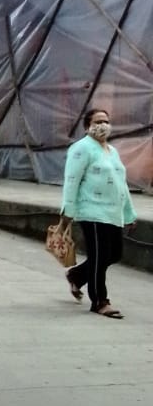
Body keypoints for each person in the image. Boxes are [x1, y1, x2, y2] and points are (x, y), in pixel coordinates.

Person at [61, 108, 136, 318]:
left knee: (114, 254)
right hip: (92, 211)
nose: (103, 125)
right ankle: (100, 301)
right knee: (99, 256)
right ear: (87, 127)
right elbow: (72, 180)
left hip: (113, 212)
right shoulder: (81, 148)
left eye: (106, 121)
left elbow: (122, 184)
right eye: (97, 122)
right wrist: (68, 210)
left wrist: (129, 213)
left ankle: (77, 275)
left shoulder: (112, 151)